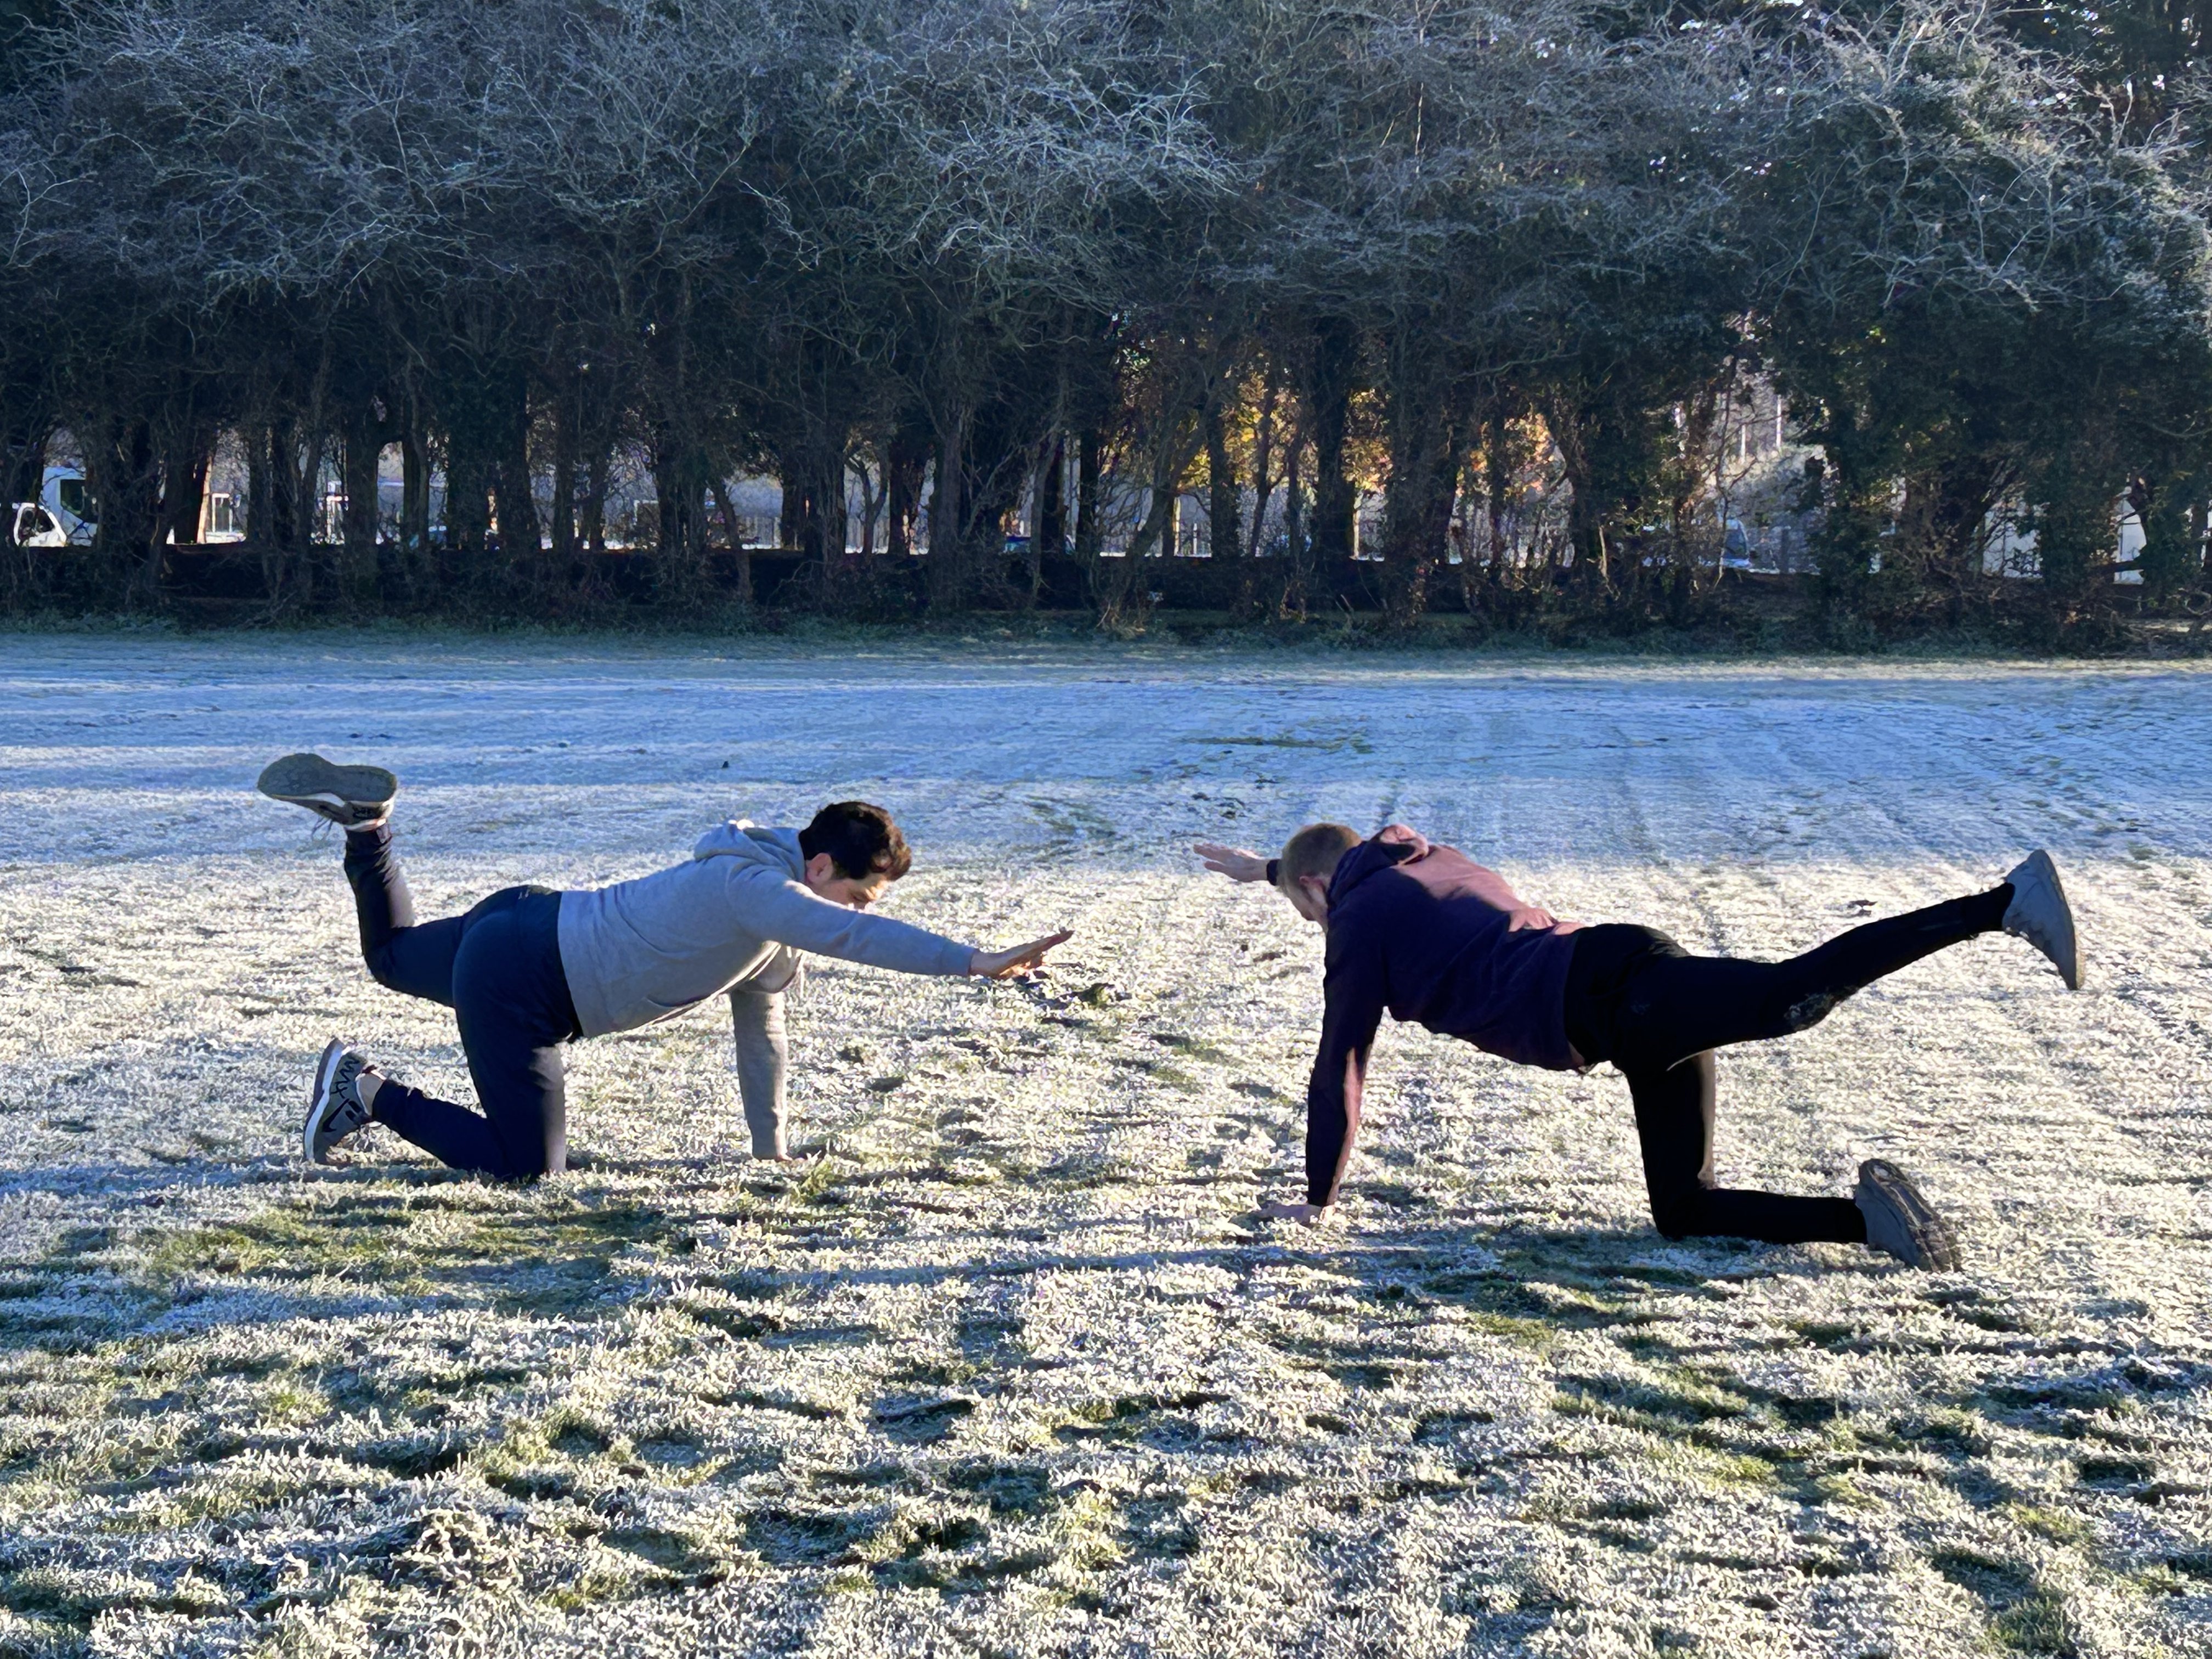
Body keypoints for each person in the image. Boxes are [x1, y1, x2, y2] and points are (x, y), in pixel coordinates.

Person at [1194, 825, 2084, 1268]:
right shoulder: (1414, 861)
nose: (1315, 925)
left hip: (1621, 1000)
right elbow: (1333, 864)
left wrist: (1319, 1200)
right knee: (1683, 1209)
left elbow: (1340, 1059)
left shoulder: (1358, 919)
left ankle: (1999, 907)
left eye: (1304, 906)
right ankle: (1871, 1222)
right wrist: (1264, 872)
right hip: (1619, 988)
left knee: (1788, 998)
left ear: (1321, 890)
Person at [258, 753, 1069, 1177]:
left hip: (527, 919)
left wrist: (771, 1148)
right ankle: (364, 1090)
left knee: (393, 959)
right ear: (820, 868)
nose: (860, 912)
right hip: (525, 981)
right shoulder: (753, 888)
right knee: (524, 1169)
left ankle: (368, 831)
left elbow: (764, 1031)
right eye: (860, 893)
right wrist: (973, 961)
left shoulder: (770, 908)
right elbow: (856, 940)